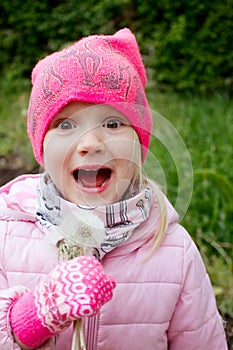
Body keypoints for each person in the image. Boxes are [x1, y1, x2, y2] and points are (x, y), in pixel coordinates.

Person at [0, 28, 227, 350]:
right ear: (41, 145)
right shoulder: (6, 233)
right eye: (65, 124)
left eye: (112, 123)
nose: (90, 143)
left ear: (139, 142)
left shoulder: (173, 250)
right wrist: (30, 319)